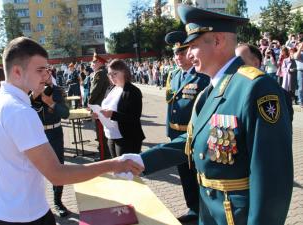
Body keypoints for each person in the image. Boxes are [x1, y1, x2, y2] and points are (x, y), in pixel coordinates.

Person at [122, 5, 293, 225]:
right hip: (210, 211)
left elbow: (272, 178)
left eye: (193, 46)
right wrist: (141, 160)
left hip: (237, 217)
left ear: (218, 40)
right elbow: (193, 141)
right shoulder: (208, 92)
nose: (189, 54)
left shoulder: (256, 88)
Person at [0, 37, 144, 225]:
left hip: (5, 208)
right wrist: (114, 164)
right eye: (40, 70)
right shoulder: (19, 111)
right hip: (24, 214)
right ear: (17, 71)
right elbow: (57, 174)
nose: (46, 75)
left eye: (47, 69)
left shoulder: (0, 100)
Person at [164, 30, 210, 223]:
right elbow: (171, 104)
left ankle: (205, 212)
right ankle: (192, 208)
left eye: (182, 53)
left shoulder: (203, 77)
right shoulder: (173, 75)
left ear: (190, 53)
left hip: (195, 136)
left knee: (199, 176)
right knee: (184, 175)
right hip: (176, 134)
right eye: (175, 54)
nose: (178, 57)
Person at [30, 75, 70, 217]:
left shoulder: (57, 91)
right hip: (37, 134)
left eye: (45, 73)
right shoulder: (28, 92)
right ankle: (37, 203)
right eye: (39, 73)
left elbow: (66, 114)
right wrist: (33, 96)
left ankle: (58, 202)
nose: (43, 77)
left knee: (58, 167)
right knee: (33, 169)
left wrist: (51, 103)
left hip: (55, 133)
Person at [98, 59, 145, 158]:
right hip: (111, 136)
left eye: (114, 74)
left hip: (127, 138)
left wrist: (112, 114)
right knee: (117, 168)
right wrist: (98, 113)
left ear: (124, 72)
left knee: (126, 171)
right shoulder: (111, 89)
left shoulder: (133, 91)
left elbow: (134, 118)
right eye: (109, 74)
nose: (111, 77)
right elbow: (106, 107)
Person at [89, 52, 111, 160]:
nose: (92, 64)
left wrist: (89, 103)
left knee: (101, 134)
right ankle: (106, 154)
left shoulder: (99, 73)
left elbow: (95, 91)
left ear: (99, 62)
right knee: (103, 133)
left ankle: (104, 157)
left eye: (93, 61)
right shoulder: (104, 72)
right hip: (103, 106)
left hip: (98, 107)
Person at [294, 40, 303, 107]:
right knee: (301, 87)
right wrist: (300, 47)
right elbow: (296, 57)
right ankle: (300, 101)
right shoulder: (296, 53)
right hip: (300, 72)